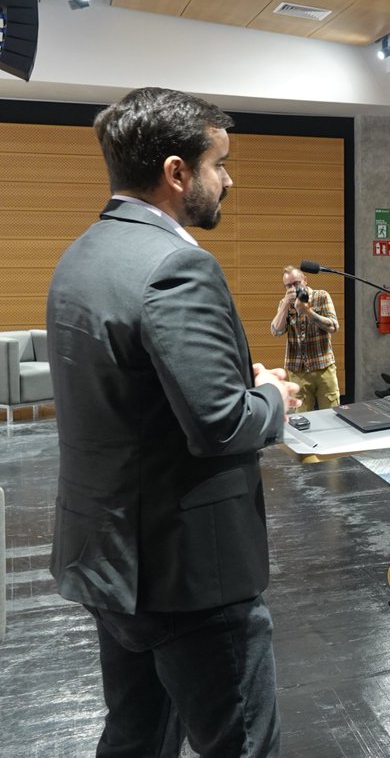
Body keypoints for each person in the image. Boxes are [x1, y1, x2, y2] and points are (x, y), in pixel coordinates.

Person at [46, 87, 300, 757]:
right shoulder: (177, 266)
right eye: (220, 164)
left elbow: (136, 393)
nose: (229, 180)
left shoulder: (82, 255)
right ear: (177, 172)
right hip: (187, 573)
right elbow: (220, 425)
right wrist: (272, 396)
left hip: (109, 558)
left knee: (135, 739)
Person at [270, 264, 340, 411]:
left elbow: (333, 327)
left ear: (305, 280)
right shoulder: (284, 304)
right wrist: (285, 305)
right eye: (288, 286)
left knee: (332, 413)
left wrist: (308, 312)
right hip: (298, 371)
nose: (293, 288)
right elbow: (276, 331)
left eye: (296, 283)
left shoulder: (321, 296)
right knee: (300, 417)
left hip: (324, 367)